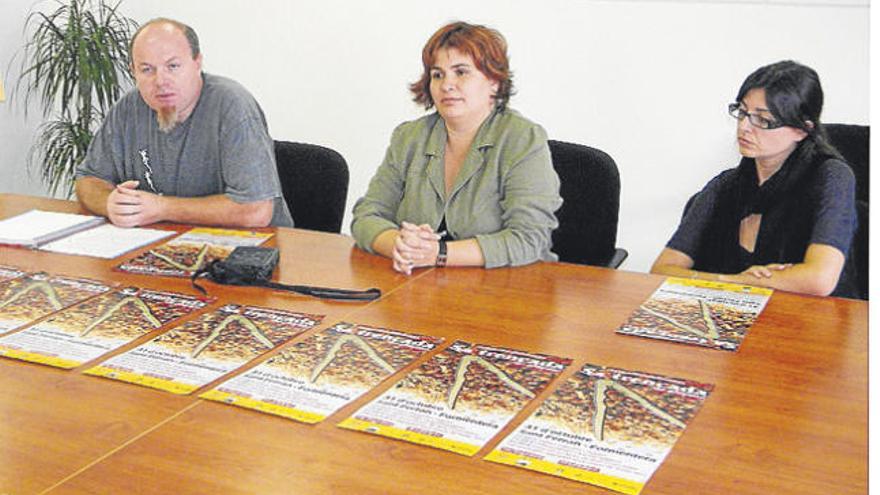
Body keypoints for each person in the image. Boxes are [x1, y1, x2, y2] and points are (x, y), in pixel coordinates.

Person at [351, 21, 562, 274]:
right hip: (419, 290)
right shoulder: (409, 137)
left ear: (494, 81)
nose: (447, 84)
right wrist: (400, 245)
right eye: (437, 74)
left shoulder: (522, 139)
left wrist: (438, 254)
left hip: (506, 291)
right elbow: (367, 215)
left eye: (461, 72)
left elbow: (529, 239)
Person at [651, 61, 857, 297]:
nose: (744, 127)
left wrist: (731, 283)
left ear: (802, 129)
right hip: (738, 319)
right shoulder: (726, 186)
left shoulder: (832, 177)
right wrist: (734, 282)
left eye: (763, 120)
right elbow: (661, 270)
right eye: (742, 112)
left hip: (816, 323)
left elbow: (820, 280)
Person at [75, 18, 293, 228]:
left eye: (173, 66)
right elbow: (89, 180)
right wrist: (109, 203)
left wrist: (161, 208)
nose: (160, 81)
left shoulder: (232, 106)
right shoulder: (128, 109)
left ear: (197, 63)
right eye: (147, 69)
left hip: (252, 251)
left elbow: (255, 210)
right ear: (133, 72)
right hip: (162, 245)